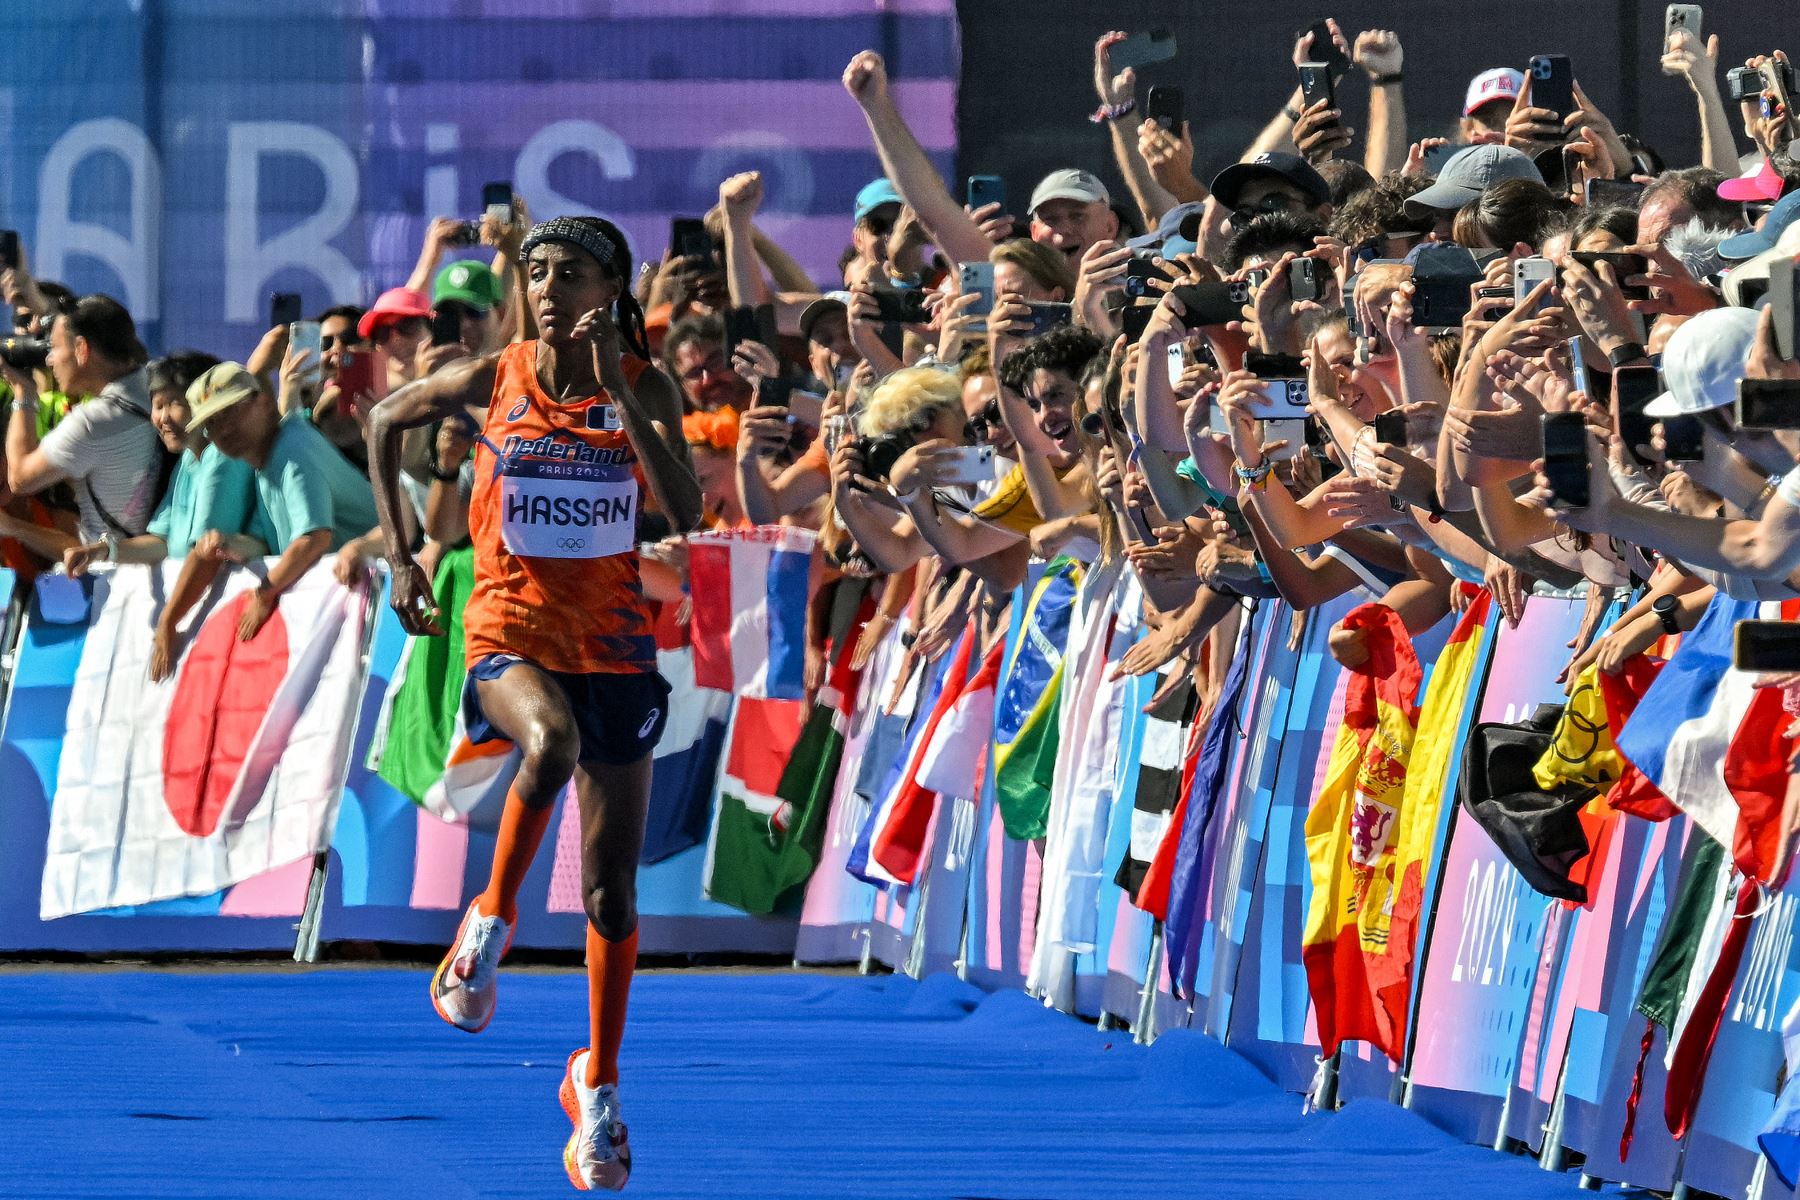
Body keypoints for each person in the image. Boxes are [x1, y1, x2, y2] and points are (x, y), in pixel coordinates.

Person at [365, 214, 700, 1192]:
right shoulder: (494, 378)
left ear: (613, 287)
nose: (552, 289)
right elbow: (386, 422)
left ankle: (595, 1086)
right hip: (507, 631)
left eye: (574, 274)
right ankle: (489, 920)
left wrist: (620, 399)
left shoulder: (645, 386)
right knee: (544, 743)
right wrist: (401, 559)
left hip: (616, 648)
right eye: (538, 273)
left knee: (610, 892)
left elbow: (686, 513)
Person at [62, 351, 263, 574]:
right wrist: (101, 551)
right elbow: (162, 542)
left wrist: (171, 611)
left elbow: (203, 556)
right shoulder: (187, 459)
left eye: (175, 403)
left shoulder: (221, 457)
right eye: (158, 405)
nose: (164, 418)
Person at [2, 294, 158, 552]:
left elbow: (19, 478)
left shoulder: (92, 422)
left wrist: (23, 391)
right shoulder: (156, 387)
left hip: (113, 574)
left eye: (54, 348)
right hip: (150, 557)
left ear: (82, 349)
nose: (49, 360)